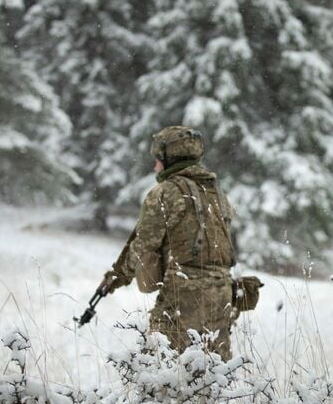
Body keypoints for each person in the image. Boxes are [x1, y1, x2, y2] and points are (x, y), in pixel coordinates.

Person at [100, 126, 237, 359]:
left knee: (160, 370)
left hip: (183, 294)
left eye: (157, 160)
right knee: (214, 373)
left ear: (168, 158)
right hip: (222, 295)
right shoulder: (215, 191)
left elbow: (144, 244)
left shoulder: (165, 192)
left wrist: (118, 277)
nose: (155, 166)